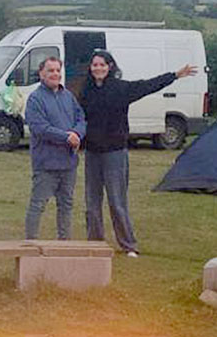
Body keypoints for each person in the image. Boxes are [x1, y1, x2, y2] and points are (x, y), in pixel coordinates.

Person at [79, 49, 197, 257]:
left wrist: (175, 75)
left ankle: (128, 245)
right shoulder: (86, 91)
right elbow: (78, 117)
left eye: (102, 64)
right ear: (90, 68)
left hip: (115, 152)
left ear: (110, 67)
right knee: (92, 203)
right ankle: (94, 244)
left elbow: (148, 85)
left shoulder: (121, 88)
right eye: (94, 65)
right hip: (92, 153)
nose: (98, 68)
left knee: (117, 202)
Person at [24, 56, 86, 239]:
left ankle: (64, 244)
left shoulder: (68, 96)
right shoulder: (35, 99)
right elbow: (39, 128)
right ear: (41, 73)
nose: (55, 74)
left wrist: (77, 134)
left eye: (58, 70)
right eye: (50, 70)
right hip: (46, 164)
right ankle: (31, 245)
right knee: (38, 205)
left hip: (68, 163)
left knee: (66, 205)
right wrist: (67, 137)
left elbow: (81, 118)